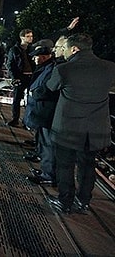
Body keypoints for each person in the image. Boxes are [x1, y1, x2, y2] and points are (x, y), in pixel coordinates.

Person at [45, 33, 115, 214]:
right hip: (96, 128)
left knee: (65, 166)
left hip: (67, 128)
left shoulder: (64, 69)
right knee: (88, 165)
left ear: (74, 49)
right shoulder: (109, 67)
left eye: (66, 49)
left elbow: (51, 87)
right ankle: (83, 201)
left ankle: (65, 201)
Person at [22, 41, 59, 185]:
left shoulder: (51, 69)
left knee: (48, 144)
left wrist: (34, 93)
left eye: (36, 56)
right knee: (44, 143)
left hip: (45, 112)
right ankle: (45, 170)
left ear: (43, 57)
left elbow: (48, 89)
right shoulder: (47, 68)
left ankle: (48, 175)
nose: (33, 59)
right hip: (42, 111)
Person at [6, 29, 34, 127]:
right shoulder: (14, 49)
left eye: (31, 36)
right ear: (22, 37)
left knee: (31, 99)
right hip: (21, 76)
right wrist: (14, 77)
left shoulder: (32, 49)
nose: (31, 38)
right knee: (17, 99)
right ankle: (15, 119)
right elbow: (10, 64)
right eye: (28, 36)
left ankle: (28, 121)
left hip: (32, 76)